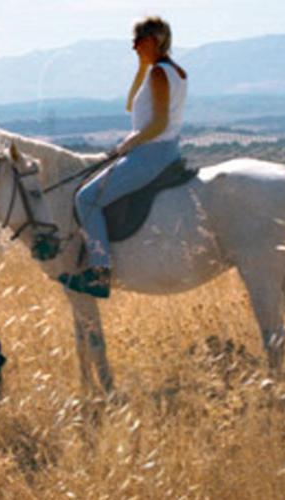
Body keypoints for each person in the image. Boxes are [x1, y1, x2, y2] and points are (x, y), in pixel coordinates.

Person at [59, 16, 188, 299]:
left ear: (154, 40)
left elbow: (158, 122)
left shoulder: (158, 74)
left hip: (151, 154)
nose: (133, 47)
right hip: (166, 150)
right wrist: (142, 67)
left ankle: (100, 271)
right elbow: (131, 105)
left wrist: (130, 141)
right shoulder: (173, 71)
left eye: (138, 41)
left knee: (86, 199)